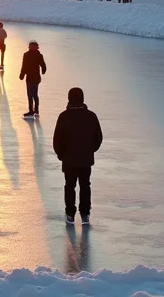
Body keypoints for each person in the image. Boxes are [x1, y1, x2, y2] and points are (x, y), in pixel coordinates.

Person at [53, 87, 103, 226]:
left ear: (69, 99)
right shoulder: (91, 116)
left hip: (69, 160)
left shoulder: (64, 117)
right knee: (85, 185)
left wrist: (61, 154)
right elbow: (98, 137)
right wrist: (90, 150)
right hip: (86, 160)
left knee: (70, 186)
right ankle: (85, 214)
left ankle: (70, 214)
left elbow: (57, 140)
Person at [20, 40, 48, 117]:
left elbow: (43, 64)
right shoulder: (26, 55)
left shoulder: (38, 55)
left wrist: (43, 70)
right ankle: (33, 110)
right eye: (31, 47)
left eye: (33, 47)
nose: (32, 48)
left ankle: (34, 110)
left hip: (35, 78)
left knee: (33, 94)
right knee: (31, 94)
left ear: (36, 47)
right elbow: (24, 65)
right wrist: (22, 74)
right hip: (30, 77)